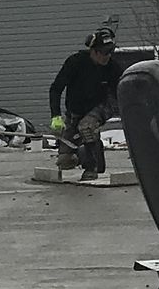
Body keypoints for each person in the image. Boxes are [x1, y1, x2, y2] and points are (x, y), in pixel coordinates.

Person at [48, 24, 122, 183]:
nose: (108, 56)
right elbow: (56, 89)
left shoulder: (112, 68)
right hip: (75, 111)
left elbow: (122, 89)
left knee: (87, 126)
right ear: (93, 51)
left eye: (111, 52)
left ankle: (92, 168)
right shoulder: (75, 63)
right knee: (65, 162)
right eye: (104, 53)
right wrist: (56, 116)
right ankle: (91, 154)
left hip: (103, 105)